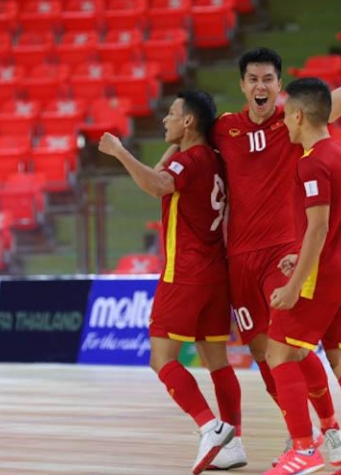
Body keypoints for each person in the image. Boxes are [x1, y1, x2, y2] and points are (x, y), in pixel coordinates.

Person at [209, 14, 341, 466]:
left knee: (287, 349)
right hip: (240, 257)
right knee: (265, 354)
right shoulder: (224, 128)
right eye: (253, 79)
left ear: (280, 86)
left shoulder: (297, 121)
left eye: (269, 78)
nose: (261, 85)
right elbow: (188, 141)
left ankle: (323, 435)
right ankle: (323, 439)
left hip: (288, 252)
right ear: (243, 85)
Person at [98, 91, 242, 474]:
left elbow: (159, 185)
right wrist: (170, 151)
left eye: (172, 114)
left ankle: (210, 427)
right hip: (216, 273)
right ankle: (234, 441)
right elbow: (166, 174)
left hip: (186, 274)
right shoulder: (211, 159)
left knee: (160, 358)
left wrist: (120, 152)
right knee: (218, 363)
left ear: (189, 121)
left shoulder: (189, 162)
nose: (165, 119)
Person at [262, 77, 341, 475]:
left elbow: (318, 226)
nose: (284, 123)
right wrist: (299, 257)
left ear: (298, 115)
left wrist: (295, 286)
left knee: (279, 352)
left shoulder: (311, 161)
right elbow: (332, 230)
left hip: (323, 278)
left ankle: (303, 450)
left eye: (286, 115)